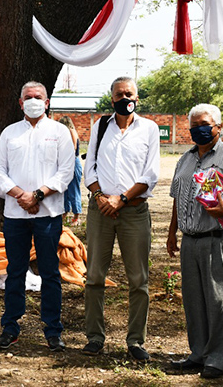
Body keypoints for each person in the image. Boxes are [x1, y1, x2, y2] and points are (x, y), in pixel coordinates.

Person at [166, 104, 223, 378]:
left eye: (205, 124)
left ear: (219, 126)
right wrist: (173, 232)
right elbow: (177, 198)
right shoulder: (184, 159)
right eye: (194, 126)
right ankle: (198, 353)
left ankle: (217, 358)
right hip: (190, 240)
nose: (199, 130)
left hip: (220, 239)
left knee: (219, 301)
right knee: (193, 301)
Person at [0, 81, 74, 352]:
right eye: (28, 97)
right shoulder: (9, 133)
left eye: (38, 97)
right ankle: (10, 327)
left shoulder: (59, 132)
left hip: (48, 214)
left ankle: (52, 330)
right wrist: (20, 195)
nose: (33, 100)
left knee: (50, 273)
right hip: (16, 214)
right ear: (20, 102)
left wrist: (37, 195)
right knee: (14, 271)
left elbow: (65, 172)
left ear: (47, 102)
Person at [82, 76, 160, 362]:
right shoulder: (100, 126)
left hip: (134, 212)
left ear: (137, 98)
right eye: (119, 94)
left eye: (129, 93)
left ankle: (136, 341)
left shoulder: (149, 129)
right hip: (100, 211)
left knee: (138, 280)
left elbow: (150, 174)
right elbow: (89, 167)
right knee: (94, 277)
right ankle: (94, 337)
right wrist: (102, 196)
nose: (124, 98)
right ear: (111, 97)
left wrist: (122, 199)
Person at [58, 116, 83, 225]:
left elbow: (72, 148)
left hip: (73, 162)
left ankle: (77, 215)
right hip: (66, 162)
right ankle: (65, 212)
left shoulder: (71, 131)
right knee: (65, 190)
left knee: (73, 189)